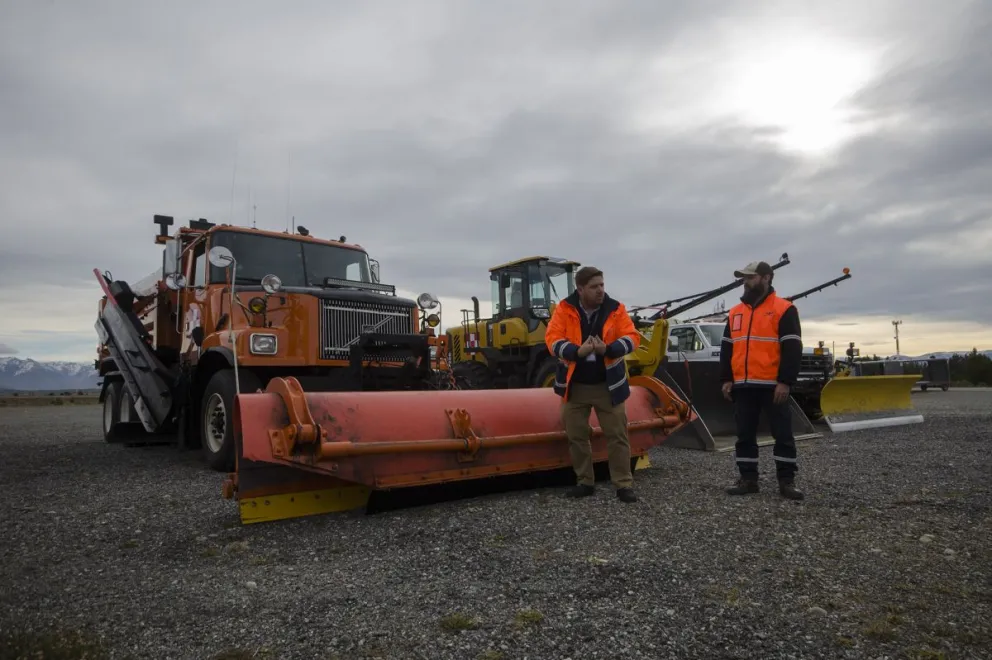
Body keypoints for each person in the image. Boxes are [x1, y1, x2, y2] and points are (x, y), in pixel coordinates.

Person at [545, 265, 641, 503]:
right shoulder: (564, 309)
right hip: (575, 386)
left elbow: (632, 338)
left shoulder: (616, 309)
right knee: (576, 436)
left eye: (602, 285)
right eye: (594, 286)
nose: (600, 290)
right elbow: (552, 339)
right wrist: (577, 352)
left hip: (608, 386)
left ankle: (623, 485)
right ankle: (585, 482)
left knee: (617, 436)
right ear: (580, 289)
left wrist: (608, 349)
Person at [719, 260, 805, 500]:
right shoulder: (735, 312)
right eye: (744, 278)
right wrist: (726, 379)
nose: (746, 282)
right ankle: (748, 479)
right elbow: (727, 349)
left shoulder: (784, 309)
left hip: (773, 386)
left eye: (751, 277)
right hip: (743, 386)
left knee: (783, 435)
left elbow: (792, 348)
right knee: (744, 435)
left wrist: (785, 381)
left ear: (767, 277)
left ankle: (787, 481)